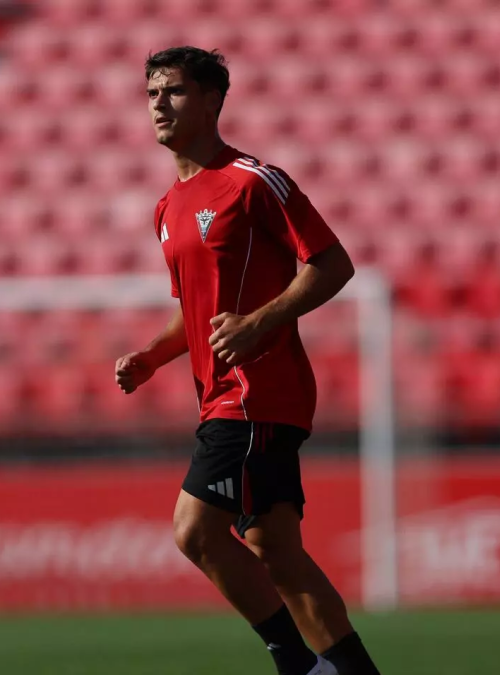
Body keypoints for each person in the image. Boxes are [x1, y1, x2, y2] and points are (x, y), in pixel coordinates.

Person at [115, 47, 381, 675]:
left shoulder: (254, 181)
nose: (158, 103)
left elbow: (333, 264)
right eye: (151, 92)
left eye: (174, 91)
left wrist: (261, 321)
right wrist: (154, 357)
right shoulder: (167, 207)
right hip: (221, 393)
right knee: (278, 552)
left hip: (257, 390)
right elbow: (196, 308)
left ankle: (298, 666)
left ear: (212, 101)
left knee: (195, 530)